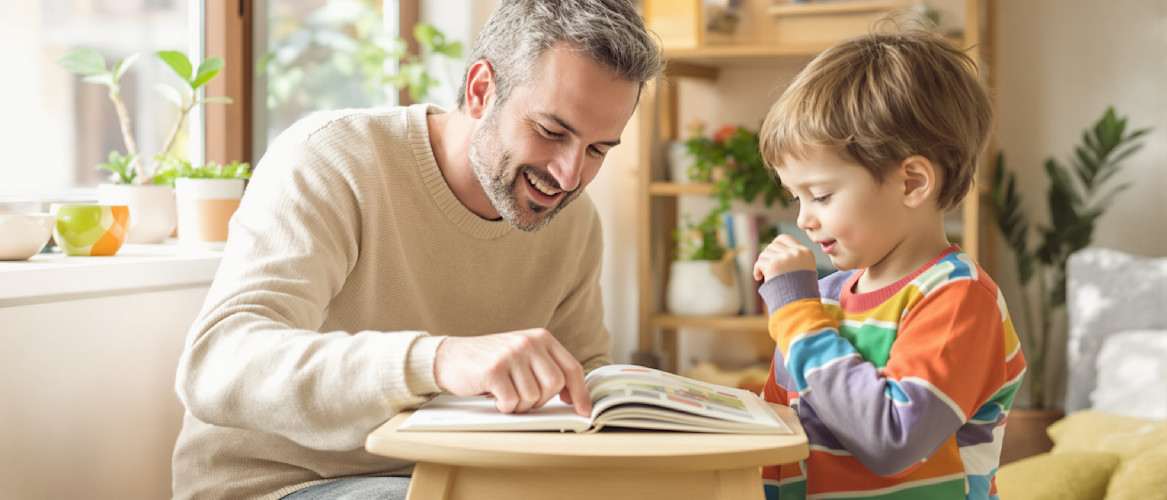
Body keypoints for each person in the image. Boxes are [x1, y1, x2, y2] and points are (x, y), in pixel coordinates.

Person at [170, 1, 662, 498]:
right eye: (552, 132)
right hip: (285, 485)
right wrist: (438, 360)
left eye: (599, 149)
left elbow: (585, 380)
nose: (570, 175)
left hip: (456, 479)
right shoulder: (333, 160)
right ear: (481, 91)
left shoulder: (572, 221)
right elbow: (216, 364)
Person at [750, 22, 1027, 500]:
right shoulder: (825, 300)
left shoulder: (959, 299)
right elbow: (779, 432)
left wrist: (796, 315)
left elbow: (892, 439)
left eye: (820, 195)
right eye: (796, 198)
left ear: (912, 183)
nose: (804, 220)